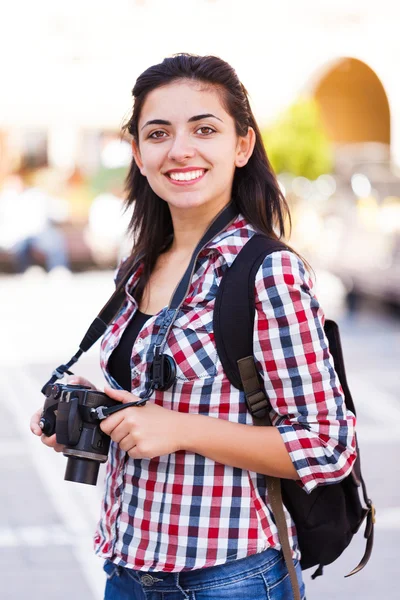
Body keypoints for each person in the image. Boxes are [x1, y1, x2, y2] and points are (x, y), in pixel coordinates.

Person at [30, 54, 357, 600]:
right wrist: (95, 414)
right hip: (127, 567)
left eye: (204, 129)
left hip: (229, 576)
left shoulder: (265, 270)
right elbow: (158, 404)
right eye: (158, 133)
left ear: (242, 145)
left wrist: (178, 428)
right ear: (137, 152)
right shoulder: (140, 264)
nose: (180, 150)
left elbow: (328, 444)